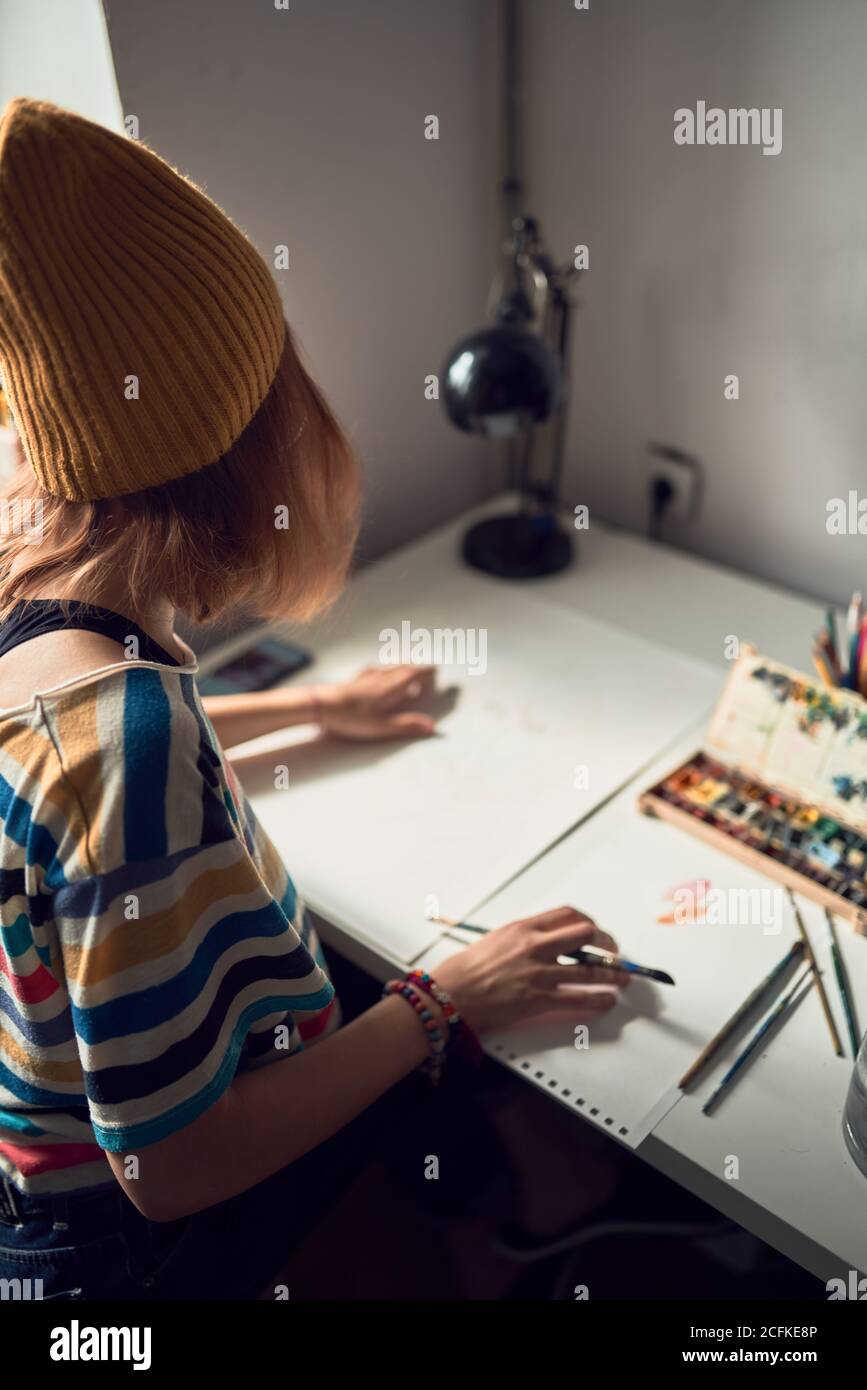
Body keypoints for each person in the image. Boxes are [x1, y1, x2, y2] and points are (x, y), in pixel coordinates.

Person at [0, 97, 626, 1299]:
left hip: (49, 1181)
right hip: (132, 1262)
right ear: (240, 441)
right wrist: (441, 1004)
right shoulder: (130, 744)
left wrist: (309, 713)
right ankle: (515, 1236)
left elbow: (64, 777)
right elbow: (173, 1163)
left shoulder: (46, 638)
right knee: (425, 1044)